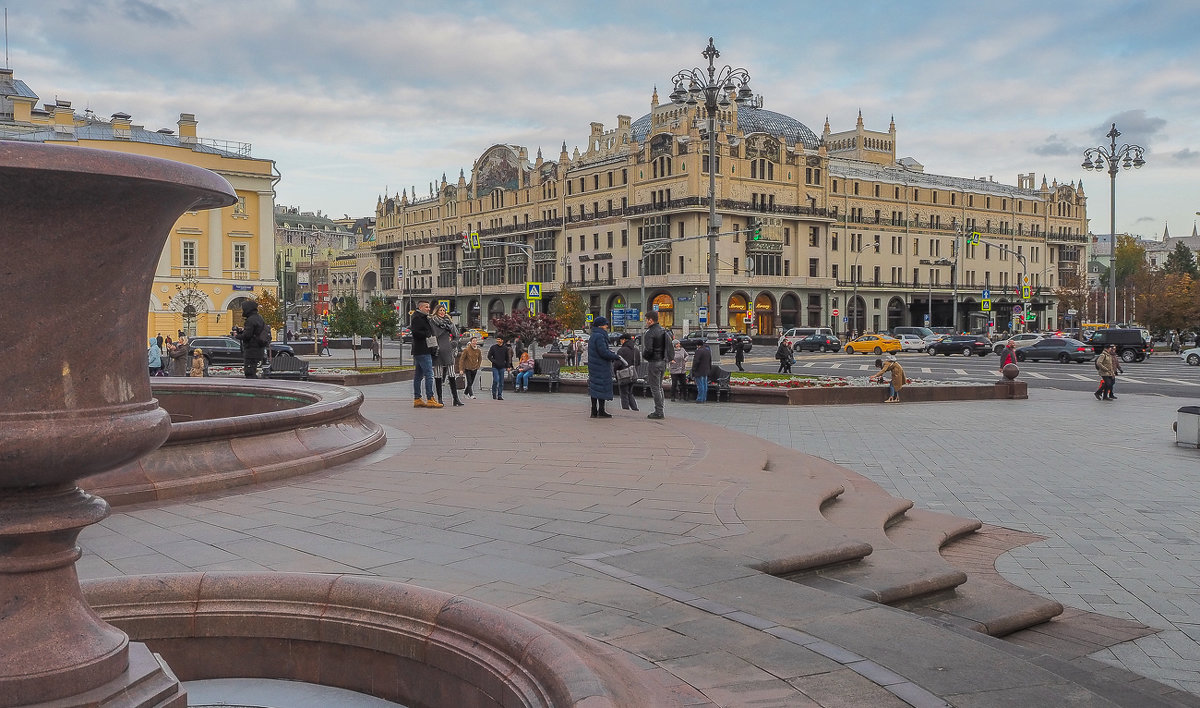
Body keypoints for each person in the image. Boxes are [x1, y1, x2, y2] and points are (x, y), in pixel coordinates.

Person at [410, 299, 442, 408]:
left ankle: (417, 398)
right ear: (420, 308)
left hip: (421, 350)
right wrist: (428, 334)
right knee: (429, 374)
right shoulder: (417, 318)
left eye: (429, 307)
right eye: (426, 307)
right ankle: (430, 398)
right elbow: (416, 332)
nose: (428, 309)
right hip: (423, 350)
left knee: (418, 375)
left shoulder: (423, 317)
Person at [429, 303, 463, 407]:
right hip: (437, 350)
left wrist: (454, 343)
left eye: (444, 310)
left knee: (452, 374)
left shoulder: (449, 322)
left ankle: (456, 398)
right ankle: (440, 398)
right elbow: (430, 336)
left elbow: (457, 335)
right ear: (436, 311)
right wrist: (434, 347)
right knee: (438, 375)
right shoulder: (432, 322)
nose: (442, 312)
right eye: (440, 310)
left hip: (448, 350)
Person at [641, 311, 672, 419]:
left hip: (654, 362)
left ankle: (659, 411)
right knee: (659, 387)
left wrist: (645, 355)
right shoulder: (663, 331)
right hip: (663, 362)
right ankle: (660, 409)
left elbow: (648, 350)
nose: (646, 322)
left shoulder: (650, 333)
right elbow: (669, 346)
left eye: (646, 320)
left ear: (650, 320)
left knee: (655, 388)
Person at [587, 317, 619, 418]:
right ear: (600, 325)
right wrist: (614, 356)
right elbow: (603, 352)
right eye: (605, 325)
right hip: (601, 366)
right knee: (601, 387)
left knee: (595, 387)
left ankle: (594, 411)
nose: (606, 327)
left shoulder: (593, 336)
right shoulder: (600, 336)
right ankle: (601, 410)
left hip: (594, 365)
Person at [236, 299, 269, 379]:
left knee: (249, 372)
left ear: (248, 309)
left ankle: (253, 389)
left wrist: (237, 335)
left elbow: (247, 336)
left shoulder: (250, 320)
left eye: (243, 309)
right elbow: (255, 331)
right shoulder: (259, 318)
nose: (242, 311)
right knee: (253, 370)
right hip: (259, 349)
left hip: (251, 350)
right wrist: (244, 331)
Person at [616, 333, 641, 412]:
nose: (620, 342)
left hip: (623, 375)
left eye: (621, 340)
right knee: (630, 393)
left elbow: (617, 364)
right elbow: (638, 363)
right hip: (633, 375)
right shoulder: (636, 350)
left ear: (624, 340)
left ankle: (625, 411)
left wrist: (616, 373)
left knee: (624, 394)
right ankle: (635, 409)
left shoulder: (621, 350)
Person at [487, 335, 513, 400]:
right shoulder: (493, 347)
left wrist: (508, 366)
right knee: (496, 380)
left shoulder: (505, 348)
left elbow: (507, 358)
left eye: (499, 339)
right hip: (495, 366)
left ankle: (499, 395)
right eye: (497, 339)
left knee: (501, 382)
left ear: (502, 340)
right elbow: (489, 356)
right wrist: (494, 361)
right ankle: (494, 393)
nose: (498, 340)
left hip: (502, 367)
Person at [692, 338, 712, 403]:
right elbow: (710, 361)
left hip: (699, 370)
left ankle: (700, 399)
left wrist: (693, 369)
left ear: (697, 345)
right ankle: (704, 398)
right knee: (704, 385)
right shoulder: (707, 351)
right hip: (706, 370)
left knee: (700, 385)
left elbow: (696, 361)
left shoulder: (698, 351)